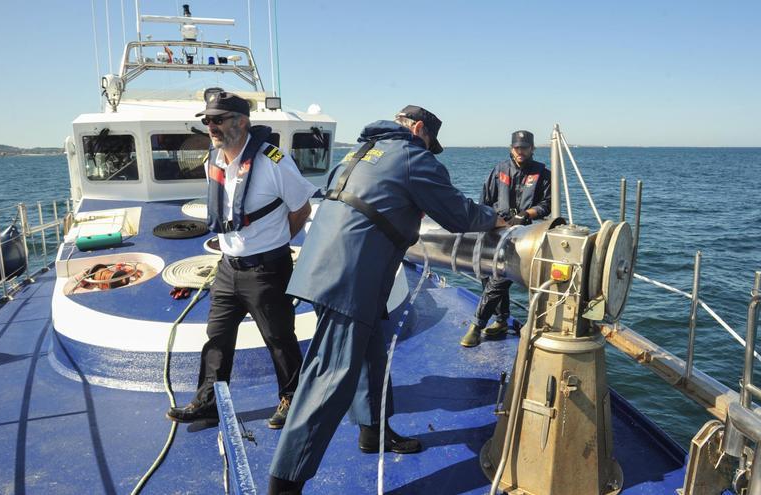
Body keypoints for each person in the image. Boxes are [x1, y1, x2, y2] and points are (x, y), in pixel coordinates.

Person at [267, 105, 506, 494]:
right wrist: (496, 218)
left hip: (325, 266)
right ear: (417, 129)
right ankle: (284, 484)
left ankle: (374, 432)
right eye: (429, 140)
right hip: (350, 277)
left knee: (371, 353)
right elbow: (460, 216)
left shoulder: (359, 151)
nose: (429, 148)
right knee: (328, 381)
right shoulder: (413, 156)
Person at [165, 91, 316, 430]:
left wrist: (275, 244)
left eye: (217, 119)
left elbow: (301, 208)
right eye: (207, 120)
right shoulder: (212, 161)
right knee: (216, 337)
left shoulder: (273, 161)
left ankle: (292, 398)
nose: (210, 126)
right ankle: (208, 403)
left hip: (266, 268)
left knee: (279, 338)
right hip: (227, 267)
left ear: (241, 122)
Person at [460, 130, 551, 347]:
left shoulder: (542, 173)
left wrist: (526, 214)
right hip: (495, 229)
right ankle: (501, 320)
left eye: (525, 148)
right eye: (517, 148)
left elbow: (547, 204)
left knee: (498, 280)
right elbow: (486, 199)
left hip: (521, 235)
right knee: (485, 272)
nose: (521, 151)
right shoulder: (499, 169)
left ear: (532, 149)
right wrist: (488, 221)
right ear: (512, 148)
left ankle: (476, 325)